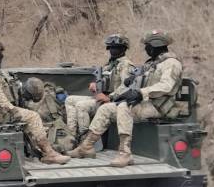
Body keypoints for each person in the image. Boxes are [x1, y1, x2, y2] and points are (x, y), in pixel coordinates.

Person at [69, 31, 183, 167]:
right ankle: (86, 146)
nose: (146, 49)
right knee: (106, 109)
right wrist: (132, 81)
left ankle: (125, 153)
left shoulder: (171, 63)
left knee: (124, 107)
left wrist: (141, 93)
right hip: (146, 102)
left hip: (159, 106)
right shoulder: (153, 63)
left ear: (154, 46)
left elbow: (166, 86)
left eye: (147, 46)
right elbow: (143, 78)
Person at [0, 38, 70, 165]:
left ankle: (38, 150)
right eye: (0, 53)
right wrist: (12, 109)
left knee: (26, 114)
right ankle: (49, 154)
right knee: (33, 116)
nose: (2, 56)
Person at [65, 34, 135, 138]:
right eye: (111, 47)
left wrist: (109, 97)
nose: (112, 50)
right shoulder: (110, 64)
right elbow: (102, 79)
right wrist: (95, 85)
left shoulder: (126, 65)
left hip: (114, 100)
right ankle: (71, 135)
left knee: (81, 106)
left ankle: (85, 138)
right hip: (101, 96)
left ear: (123, 49)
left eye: (115, 47)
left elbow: (126, 87)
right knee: (69, 100)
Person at [23, 77, 76, 153]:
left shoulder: (58, 101)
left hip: (56, 130)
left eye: (51, 90)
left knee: (70, 144)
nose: (48, 92)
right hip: (39, 130)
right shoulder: (28, 103)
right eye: (46, 91)